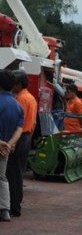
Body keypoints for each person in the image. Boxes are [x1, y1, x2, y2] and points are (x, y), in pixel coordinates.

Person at [7, 70, 37, 217]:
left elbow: (17, 123)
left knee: (13, 174)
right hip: (26, 137)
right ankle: (16, 204)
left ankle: (14, 206)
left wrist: (11, 143)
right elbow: (34, 122)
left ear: (18, 84)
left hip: (19, 138)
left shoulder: (20, 100)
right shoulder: (30, 98)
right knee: (18, 173)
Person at [0, 70, 24, 222]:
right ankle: (4, 210)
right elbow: (19, 129)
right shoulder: (17, 106)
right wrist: (8, 144)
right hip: (4, 150)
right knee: (2, 178)